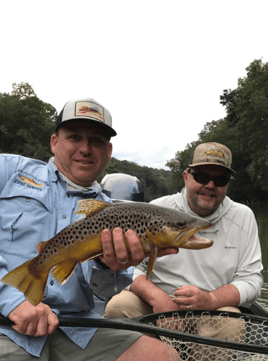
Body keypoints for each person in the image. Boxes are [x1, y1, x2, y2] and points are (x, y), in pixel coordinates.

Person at [0, 98, 180, 361]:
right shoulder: (9, 171)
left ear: (108, 151)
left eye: (96, 141)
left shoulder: (116, 215)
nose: (85, 148)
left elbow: (106, 294)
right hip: (5, 324)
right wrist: (11, 300)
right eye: (74, 137)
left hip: (77, 328)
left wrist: (109, 267)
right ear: (54, 142)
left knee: (161, 355)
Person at [104, 142, 263, 350]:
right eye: (202, 176)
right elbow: (131, 267)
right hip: (153, 306)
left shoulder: (243, 216)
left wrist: (211, 299)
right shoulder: (155, 209)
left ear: (227, 185)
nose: (210, 185)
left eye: (220, 179)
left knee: (231, 324)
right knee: (118, 307)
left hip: (212, 311)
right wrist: (158, 298)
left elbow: (252, 279)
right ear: (186, 177)